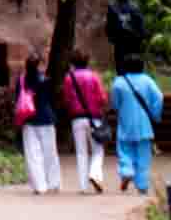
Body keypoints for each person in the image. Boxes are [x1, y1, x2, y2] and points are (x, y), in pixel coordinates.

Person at [112, 58, 164, 195]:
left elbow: (115, 104)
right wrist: (155, 113)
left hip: (125, 123)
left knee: (124, 149)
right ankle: (141, 184)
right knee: (143, 155)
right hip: (144, 124)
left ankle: (127, 171)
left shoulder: (119, 82)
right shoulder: (147, 80)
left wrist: (119, 109)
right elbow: (159, 97)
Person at [60, 52, 110, 190]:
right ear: (87, 62)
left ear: (73, 63)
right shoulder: (93, 76)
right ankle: (94, 174)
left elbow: (66, 99)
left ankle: (83, 186)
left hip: (76, 119)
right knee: (98, 150)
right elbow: (102, 98)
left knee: (81, 152)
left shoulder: (68, 78)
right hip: (94, 119)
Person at [16, 54, 61, 196]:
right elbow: (51, 98)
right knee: (50, 152)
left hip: (28, 119)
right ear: (39, 65)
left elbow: (17, 98)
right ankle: (53, 183)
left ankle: (39, 186)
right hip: (46, 119)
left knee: (33, 154)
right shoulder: (45, 80)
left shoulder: (21, 80)